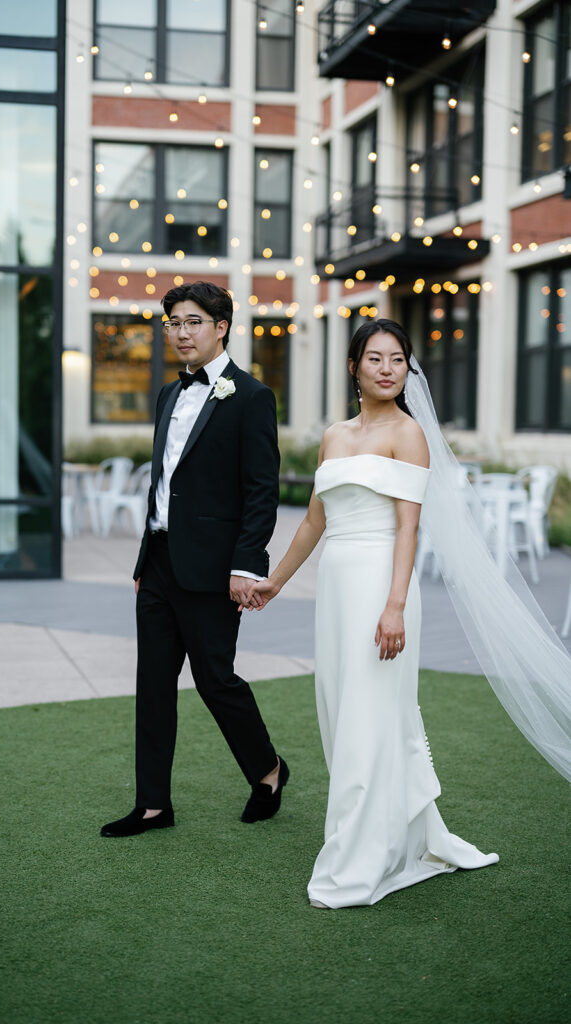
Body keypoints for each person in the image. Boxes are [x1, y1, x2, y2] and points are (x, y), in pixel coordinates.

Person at [247, 319, 499, 907]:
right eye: (376, 358)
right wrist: (276, 582)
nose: (388, 368)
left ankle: (360, 857)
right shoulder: (334, 435)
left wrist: (394, 607)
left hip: (382, 585)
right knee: (342, 712)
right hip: (337, 586)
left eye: (398, 359)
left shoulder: (410, 435)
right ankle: (389, 830)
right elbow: (315, 520)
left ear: (407, 370)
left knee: (370, 715)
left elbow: (408, 527)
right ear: (354, 366)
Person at [101, 281, 289, 838]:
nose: (181, 333)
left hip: (213, 569)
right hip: (158, 562)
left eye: (193, 322)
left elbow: (261, 491)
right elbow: (164, 485)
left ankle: (268, 769)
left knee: (215, 680)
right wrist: (142, 561)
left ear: (221, 326)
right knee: (153, 683)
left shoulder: (251, 397)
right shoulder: (166, 394)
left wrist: (245, 566)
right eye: (173, 323)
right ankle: (153, 804)